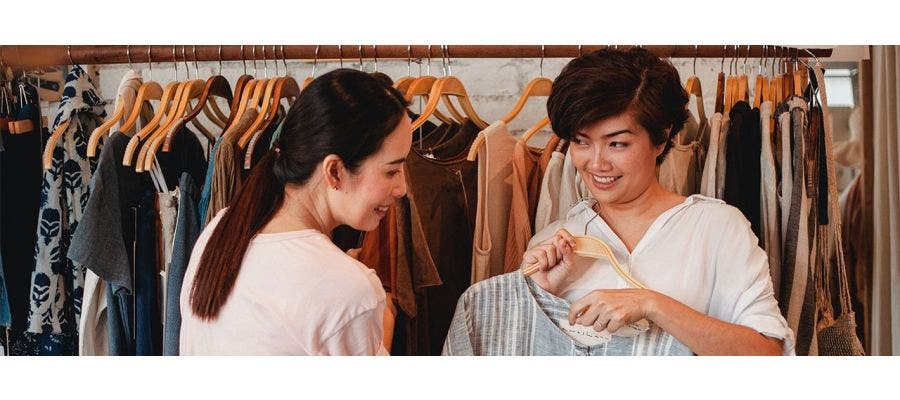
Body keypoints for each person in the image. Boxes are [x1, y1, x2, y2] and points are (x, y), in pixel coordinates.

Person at [443, 48, 794, 356]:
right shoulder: (555, 240)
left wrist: (652, 304)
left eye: (617, 144)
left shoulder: (716, 228)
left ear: (661, 138)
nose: (596, 163)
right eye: (582, 142)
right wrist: (538, 295)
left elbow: (766, 354)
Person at [179, 69, 411, 355]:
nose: (402, 188)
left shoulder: (220, 229)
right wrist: (381, 313)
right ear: (335, 171)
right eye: (392, 171)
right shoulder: (351, 292)